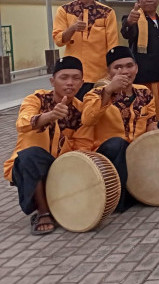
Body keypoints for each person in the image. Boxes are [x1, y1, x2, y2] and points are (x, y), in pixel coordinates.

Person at [3, 56, 92, 234]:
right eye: (64, 77)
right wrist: (50, 116)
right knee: (31, 155)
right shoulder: (36, 99)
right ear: (53, 81)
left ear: (82, 83)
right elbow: (23, 122)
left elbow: (83, 146)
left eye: (75, 78)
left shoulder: (82, 111)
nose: (70, 83)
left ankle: (56, 200)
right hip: (27, 164)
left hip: (60, 166)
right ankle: (43, 212)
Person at [81, 46, 156, 212]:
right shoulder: (94, 94)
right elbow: (87, 119)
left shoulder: (145, 92)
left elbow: (151, 121)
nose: (124, 71)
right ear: (109, 72)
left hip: (137, 151)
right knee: (118, 143)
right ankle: (118, 197)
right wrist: (108, 91)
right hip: (109, 154)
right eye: (118, 67)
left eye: (129, 66)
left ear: (136, 67)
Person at [52, 0, 118, 99]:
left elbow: (113, 45)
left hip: (100, 76)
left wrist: (113, 74)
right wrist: (72, 28)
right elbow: (58, 40)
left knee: (99, 114)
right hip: (73, 77)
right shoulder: (64, 10)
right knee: (74, 114)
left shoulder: (107, 12)